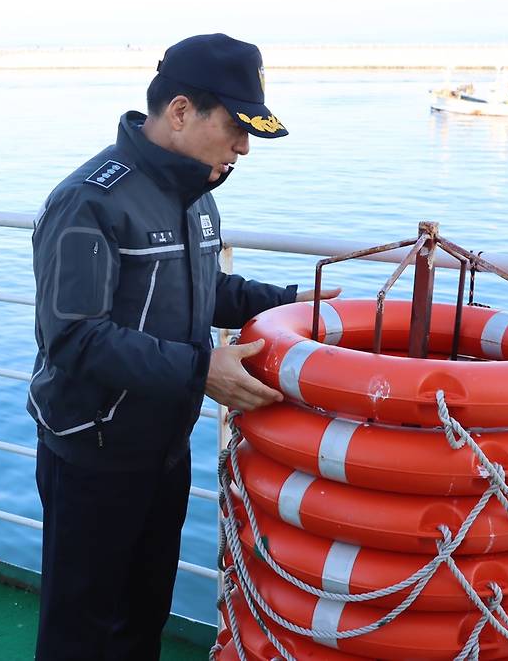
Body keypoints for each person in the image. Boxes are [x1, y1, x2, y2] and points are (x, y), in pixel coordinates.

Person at [27, 33, 339, 661]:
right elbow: (73, 338)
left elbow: (203, 288)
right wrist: (203, 372)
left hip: (164, 447)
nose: (243, 147)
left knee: (144, 615)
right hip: (92, 450)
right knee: (81, 632)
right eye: (234, 128)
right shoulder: (90, 200)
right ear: (179, 111)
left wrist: (294, 303)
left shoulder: (196, 194)